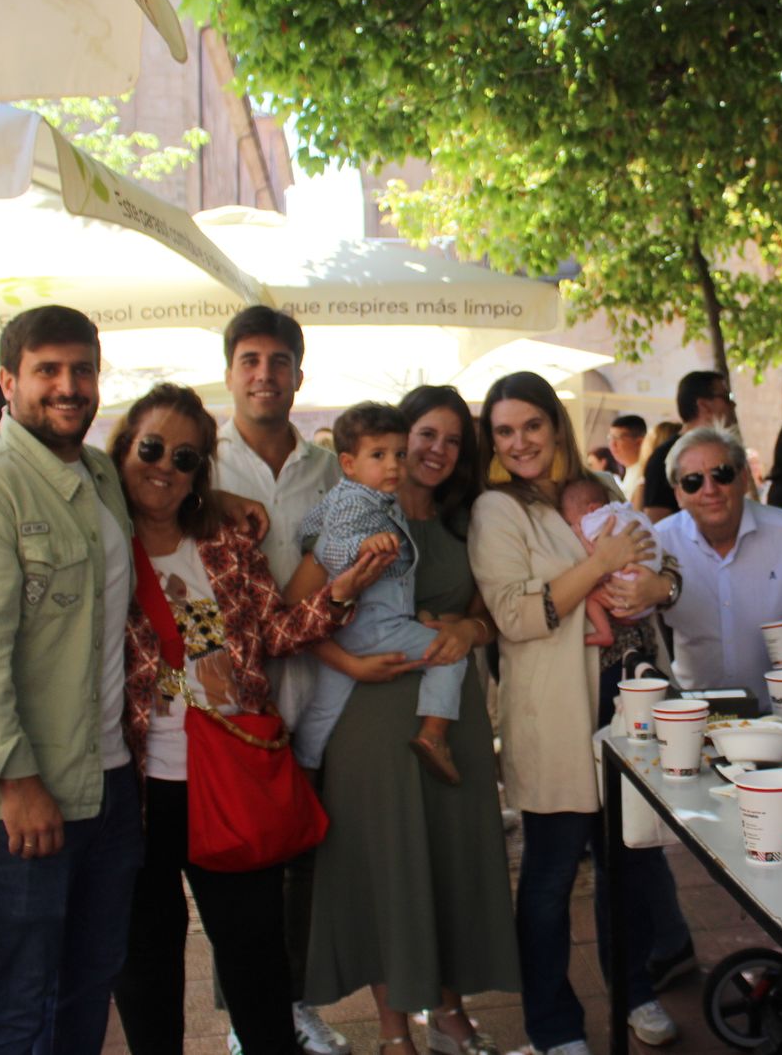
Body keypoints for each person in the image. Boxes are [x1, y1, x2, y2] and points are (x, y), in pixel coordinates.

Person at [0, 305, 144, 1052]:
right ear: (9, 382)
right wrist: (17, 781)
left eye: (82, 369)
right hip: (10, 794)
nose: (68, 386)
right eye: (47, 370)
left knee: (84, 988)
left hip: (101, 776)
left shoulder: (100, 473)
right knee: (15, 1003)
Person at [109, 384, 362, 1055]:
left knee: (254, 954)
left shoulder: (224, 538)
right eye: (152, 446)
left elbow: (274, 632)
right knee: (145, 958)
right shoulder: (98, 537)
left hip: (231, 775)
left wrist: (337, 595)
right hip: (137, 783)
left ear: (201, 472)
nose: (165, 465)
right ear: (124, 446)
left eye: (186, 456)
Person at [293, 385, 519, 1055]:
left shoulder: (467, 518)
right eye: (425, 434)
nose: (435, 450)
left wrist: (468, 627)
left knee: (448, 864)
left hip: (449, 718)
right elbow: (298, 611)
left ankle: (449, 1012)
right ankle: (394, 1033)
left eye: (453, 440)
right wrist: (348, 662)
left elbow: (490, 613)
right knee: (385, 868)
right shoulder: (355, 516)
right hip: (369, 712)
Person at [467, 372, 677, 1055]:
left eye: (531, 424)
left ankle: (636, 989)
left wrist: (660, 584)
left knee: (633, 865)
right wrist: (602, 565)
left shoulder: (599, 489)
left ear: (555, 425)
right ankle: (553, 1027)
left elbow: (659, 560)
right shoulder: (497, 511)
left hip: (633, 700)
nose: (520, 441)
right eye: (504, 430)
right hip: (557, 715)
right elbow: (514, 614)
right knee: (552, 876)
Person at [210, 304, 348, 1055]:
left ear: (299, 373)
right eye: (250, 360)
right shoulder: (198, 462)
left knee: (304, 866)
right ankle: (243, 1015)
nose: (265, 374)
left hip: (316, 692)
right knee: (239, 875)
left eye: (279, 361)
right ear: (230, 371)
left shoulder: (329, 469)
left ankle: (292, 1002)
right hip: (231, 703)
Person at [630, 423, 782, 710]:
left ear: (744, 478)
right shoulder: (659, 544)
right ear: (678, 494)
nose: (710, 490)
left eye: (722, 474)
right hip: (693, 714)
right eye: (693, 481)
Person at [295, 403, 469, 785]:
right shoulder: (357, 503)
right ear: (348, 463)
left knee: (323, 709)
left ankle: (303, 771)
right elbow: (332, 549)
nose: (393, 466)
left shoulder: (354, 495)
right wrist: (364, 544)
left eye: (399, 454)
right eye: (379, 455)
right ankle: (434, 734)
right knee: (450, 655)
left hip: (351, 628)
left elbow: (308, 528)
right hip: (374, 624)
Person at [558, 478, 662, 650]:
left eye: (574, 521)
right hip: (648, 595)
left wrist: (580, 536)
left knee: (592, 598)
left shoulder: (596, 521)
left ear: (591, 509)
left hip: (626, 598)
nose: (575, 526)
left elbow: (601, 556)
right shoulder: (626, 512)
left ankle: (604, 633)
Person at [638, 372, 736, 522]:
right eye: (727, 397)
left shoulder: (729, 449)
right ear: (703, 405)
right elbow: (657, 521)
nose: (733, 405)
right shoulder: (662, 457)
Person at [606, 415, 647, 502]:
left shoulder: (645, 473)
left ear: (639, 442)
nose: (612, 444)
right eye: (610, 438)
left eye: (618, 438)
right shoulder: (628, 470)